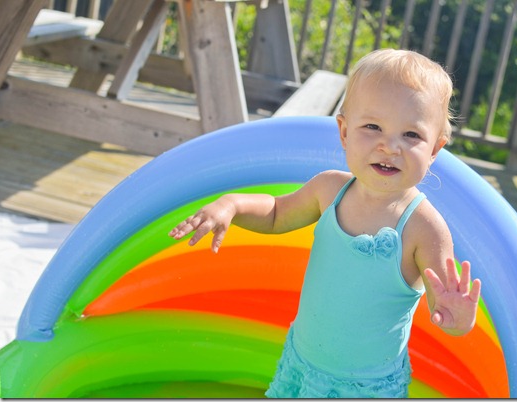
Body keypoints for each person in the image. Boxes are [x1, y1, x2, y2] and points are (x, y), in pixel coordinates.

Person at [168, 48, 482, 398]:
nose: (390, 146)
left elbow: (445, 313)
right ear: (344, 132)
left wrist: (459, 319)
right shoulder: (329, 189)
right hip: (302, 363)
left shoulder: (424, 228)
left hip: (366, 387)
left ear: (435, 149)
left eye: (411, 135)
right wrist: (232, 205)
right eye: (373, 127)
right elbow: (276, 213)